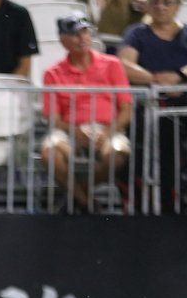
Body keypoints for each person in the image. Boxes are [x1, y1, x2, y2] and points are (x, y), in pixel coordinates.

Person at [118, 0, 187, 209]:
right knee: (158, 121)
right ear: (148, 6)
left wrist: (179, 77)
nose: (161, 7)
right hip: (150, 96)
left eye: (167, 2)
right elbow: (124, 64)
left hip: (185, 93)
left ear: (178, 6)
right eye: (155, 2)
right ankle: (157, 188)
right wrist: (155, 80)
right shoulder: (136, 33)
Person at [40, 13, 133, 212]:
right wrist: (75, 131)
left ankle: (78, 194)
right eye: (75, 34)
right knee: (50, 153)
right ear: (63, 40)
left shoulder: (113, 64)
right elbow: (53, 119)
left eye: (85, 32)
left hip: (108, 128)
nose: (82, 39)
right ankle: (86, 201)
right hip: (69, 131)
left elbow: (126, 110)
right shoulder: (52, 72)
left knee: (117, 154)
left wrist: (107, 132)